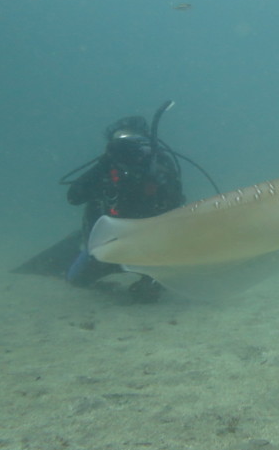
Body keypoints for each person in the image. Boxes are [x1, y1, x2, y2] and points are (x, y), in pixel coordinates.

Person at [62, 104, 186, 302]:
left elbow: (175, 206)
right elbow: (74, 197)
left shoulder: (152, 165)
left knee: (145, 295)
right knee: (77, 279)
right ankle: (81, 246)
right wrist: (105, 166)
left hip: (135, 245)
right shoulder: (114, 165)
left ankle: (151, 278)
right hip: (122, 245)